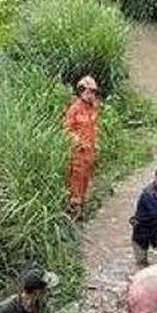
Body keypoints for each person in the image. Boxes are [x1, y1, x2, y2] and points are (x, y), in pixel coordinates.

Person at [64, 75, 101, 220]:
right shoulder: (74, 109)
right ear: (81, 91)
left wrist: (96, 143)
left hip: (89, 153)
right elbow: (67, 130)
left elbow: (94, 127)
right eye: (88, 92)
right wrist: (79, 141)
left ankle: (81, 210)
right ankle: (74, 212)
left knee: (85, 181)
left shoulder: (93, 108)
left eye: (93, 92)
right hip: (77, 154)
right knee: (76, 182)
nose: (91, 95)